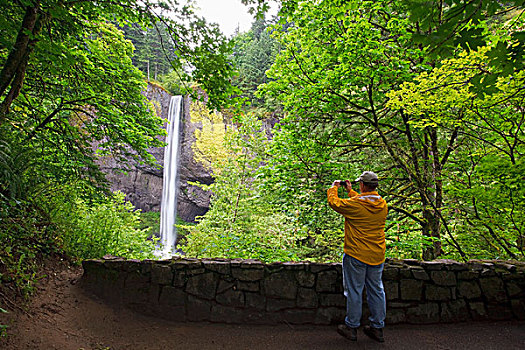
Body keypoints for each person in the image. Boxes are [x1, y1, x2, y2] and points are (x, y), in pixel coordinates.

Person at [327, 171, 388, 343]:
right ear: (375, 186)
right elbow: (363, 203)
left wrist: (334, 188)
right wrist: (350, 191)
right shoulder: (382, 204)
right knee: (377, 290)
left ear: (362, 185)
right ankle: (377, 327)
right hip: (377, 254)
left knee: (354, 291)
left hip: (356, 254)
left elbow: (335, 203)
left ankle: (351, 326)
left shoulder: (355, 205)